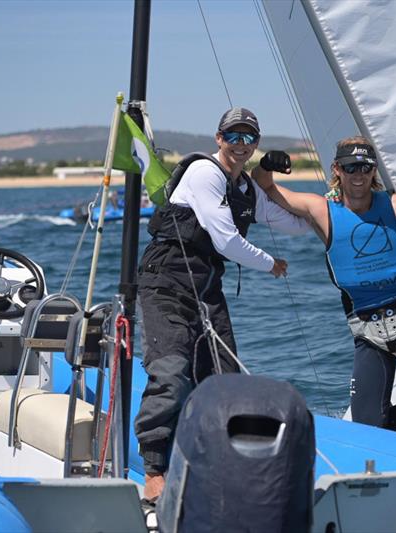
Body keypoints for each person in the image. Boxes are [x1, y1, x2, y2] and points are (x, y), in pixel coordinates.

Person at [255, 136, 396, 452]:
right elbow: (265, 186)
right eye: (351, 168)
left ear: (373, 170)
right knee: (366, 432)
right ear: (337, 169)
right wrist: (267, 164)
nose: (358, 175)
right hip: (366, 330)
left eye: (364, 167)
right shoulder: (320, 210)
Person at [134, 107, 309, 501]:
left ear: (256, 144)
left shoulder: (246, 188)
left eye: (249, 138)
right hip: (166, 282)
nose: (241, 145)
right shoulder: (203, 174)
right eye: (234, 136)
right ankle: (154, 468)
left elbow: (287, 221)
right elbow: (226, 240)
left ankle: (216, 462)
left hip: (206, 288)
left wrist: (327, 212)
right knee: (172, 371)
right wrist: (271, 264)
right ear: (219, 139)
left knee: (224, 379)